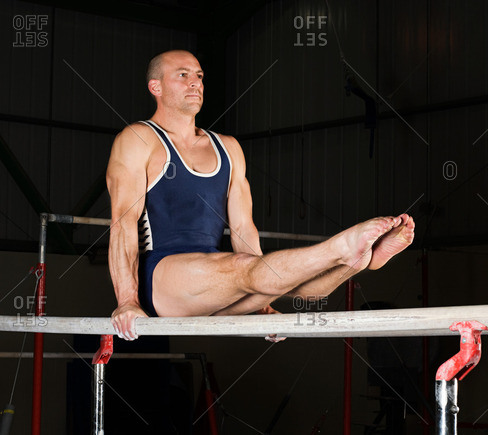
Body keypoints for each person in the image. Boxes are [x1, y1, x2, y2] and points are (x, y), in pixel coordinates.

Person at [106, 50, 415, 340]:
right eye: (183, 75)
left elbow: (243, 228)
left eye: (199, 76)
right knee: (248, 271)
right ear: (155, 87)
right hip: (162, 278)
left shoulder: (227, 148)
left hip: (216, 274)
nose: (195, 83)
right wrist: (126, 301)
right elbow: (122, 222)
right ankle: (341, 247)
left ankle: (360, 261)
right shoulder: (138, 139)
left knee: (300, 288)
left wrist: (263, 303)